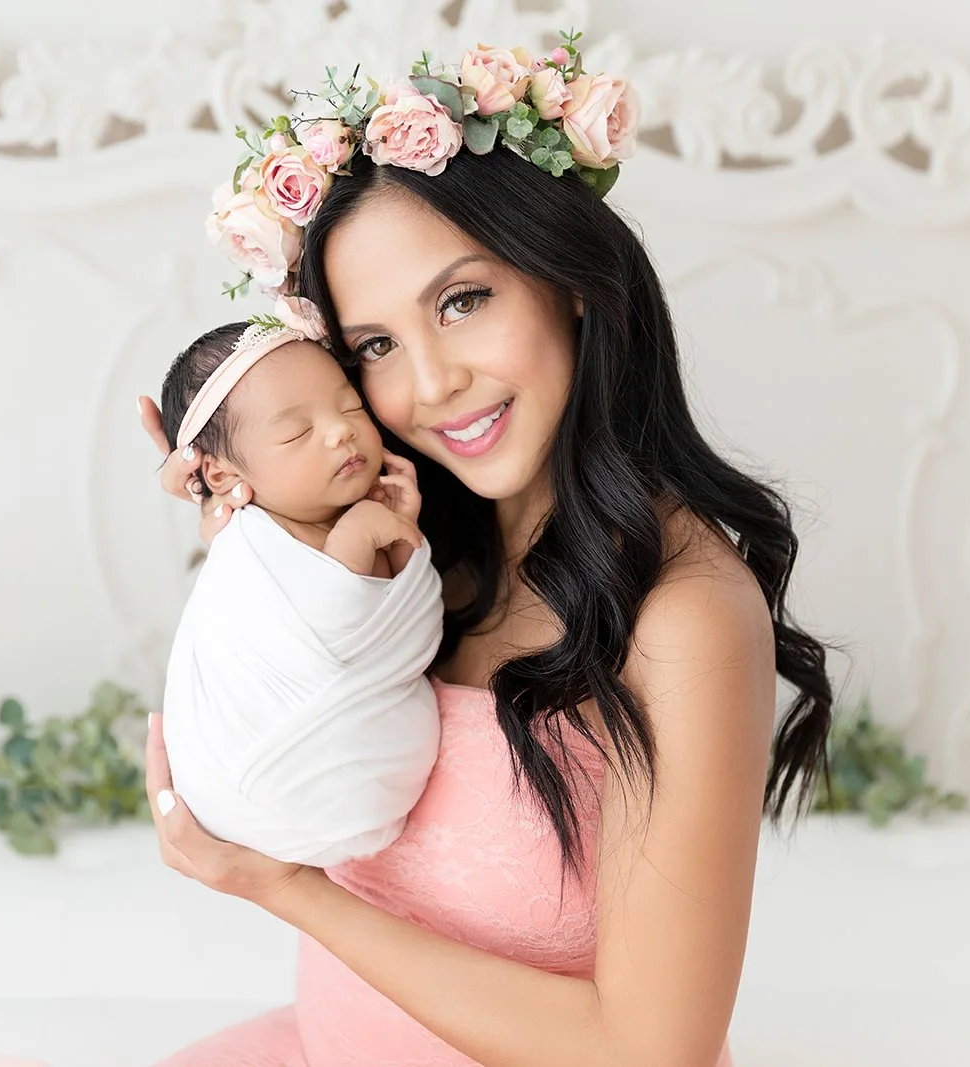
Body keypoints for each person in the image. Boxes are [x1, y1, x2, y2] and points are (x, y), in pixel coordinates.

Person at [133, 38, 833, 1067]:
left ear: (571, 281)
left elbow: (652, 1049)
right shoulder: (416, 548)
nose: (429, 384)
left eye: (462, 301)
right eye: (373, 345)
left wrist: (288, 892)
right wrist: (255, 535)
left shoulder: (679, 613)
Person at [155, 305, 443, 868]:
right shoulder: (251, 546)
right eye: (297, 431)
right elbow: (333, 613)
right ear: (222, 476)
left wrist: (403, 534)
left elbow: (407, 621)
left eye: (350, 406)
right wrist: (364, 536)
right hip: (264, 787)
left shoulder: (331, 520)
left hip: (355, 782)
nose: (341, 431)